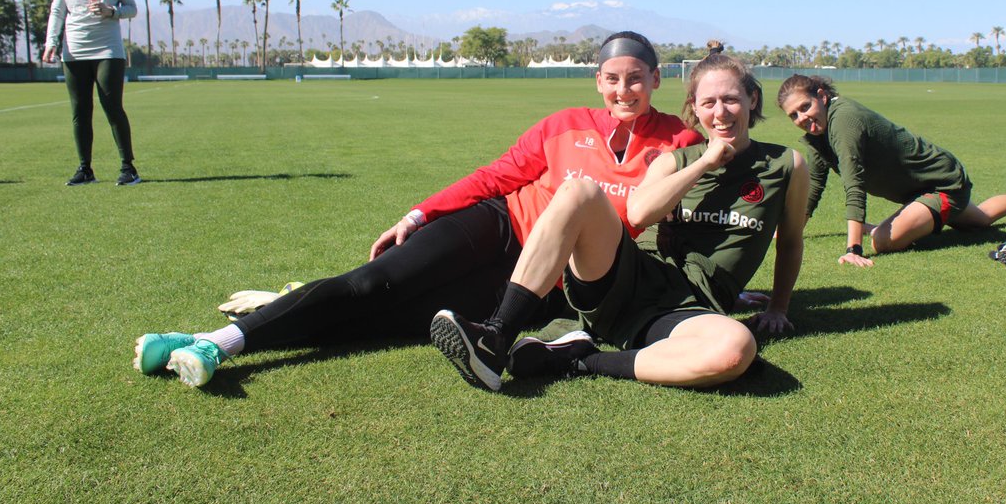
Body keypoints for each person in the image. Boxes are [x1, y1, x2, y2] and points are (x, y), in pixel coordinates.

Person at [133, 32, 704, 387]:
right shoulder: (563, 124)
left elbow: (678, 218)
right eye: (612, 79)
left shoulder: (677, 141)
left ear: (656, 79)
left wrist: (708, 290)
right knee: (373, 285)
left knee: (395, 322)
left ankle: (246, 323)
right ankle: (212, 343)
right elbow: (496, 176)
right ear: (597, 81)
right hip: (499, 229)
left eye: (636, 79)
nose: (624, 90)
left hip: (545, 281)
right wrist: (419, 214)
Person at [430, 54, 809, 391]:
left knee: (735, 349)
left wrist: (778, 307)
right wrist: (706, 162)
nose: (721, 112)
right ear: (695, 107)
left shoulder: (786, 165)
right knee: (580, 191)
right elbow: (639, 214)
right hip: (630, 278)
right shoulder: (676, 159)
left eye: (730, 99)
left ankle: (578, 359)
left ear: (751, 100)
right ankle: (496, 336)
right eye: (708, 102)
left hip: (687, 309)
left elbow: (790, 242)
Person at [776, 74, 1006, 268]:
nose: (803, 118)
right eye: (794, 115)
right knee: (979, 221)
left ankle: (882, 228)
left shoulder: (844, 120)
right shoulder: (817, 134)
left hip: (941, 183)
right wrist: (792, 231)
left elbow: (854, 183)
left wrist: (854, 248)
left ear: (822, 96)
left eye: (805, 106)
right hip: (918, 190)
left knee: (883, 241)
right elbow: (814, 184)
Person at [43, 0, 141, 186]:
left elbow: (131, 8)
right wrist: (51, 41)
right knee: (80, 110)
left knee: (112, 107)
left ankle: (128, 168)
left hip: (108, 50)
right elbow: (57, 11)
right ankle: (85, 169)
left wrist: (113, 12)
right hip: (74, 51)